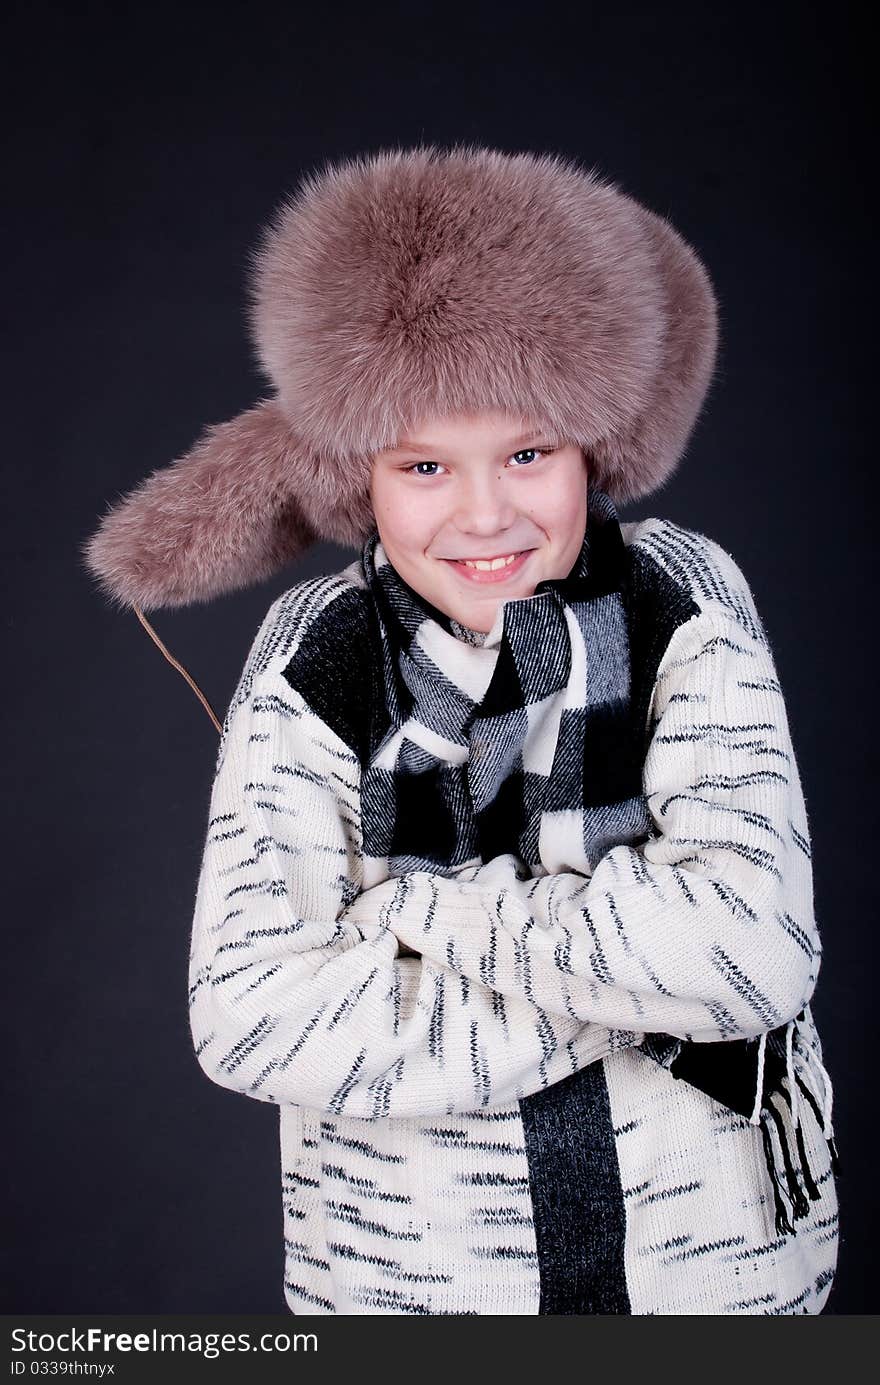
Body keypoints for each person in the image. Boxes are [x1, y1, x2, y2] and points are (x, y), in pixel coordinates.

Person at [82, 145, 840, 1315]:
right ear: (357, 474)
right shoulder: (319, 654)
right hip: (415, 1287)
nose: (486, 512)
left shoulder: (680, 595)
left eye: (528, 452)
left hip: (718, 1277)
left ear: (595, 444)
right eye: (426, 463)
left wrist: (423, 911)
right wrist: (642, 983)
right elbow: (252, 1016)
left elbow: (754, 949)